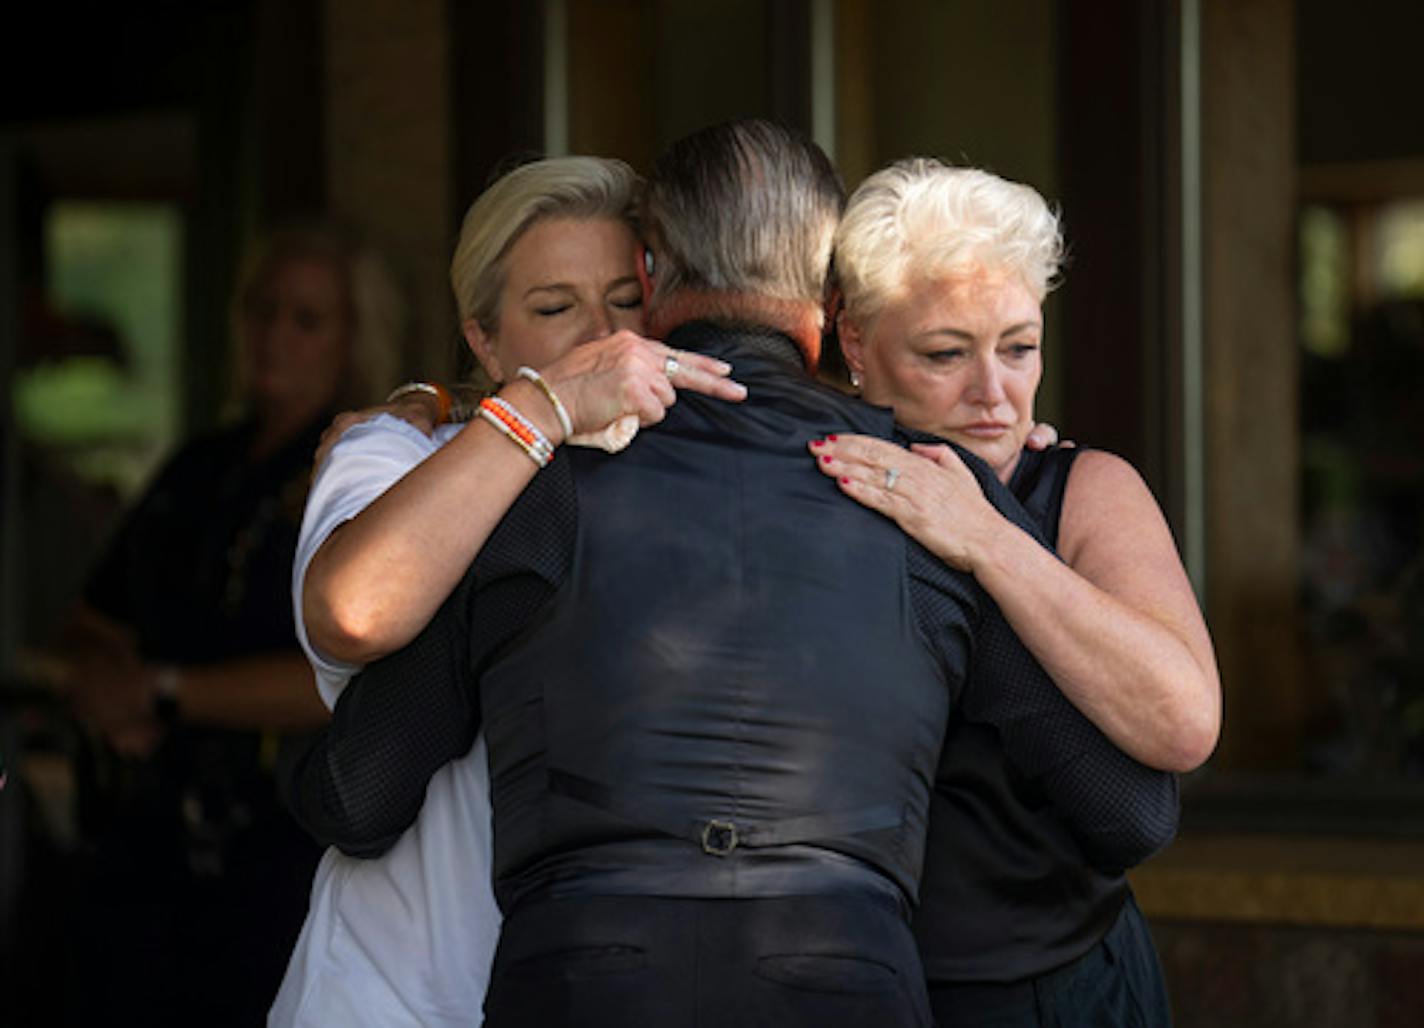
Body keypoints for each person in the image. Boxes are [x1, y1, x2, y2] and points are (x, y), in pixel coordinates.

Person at [283, 119, 1177, 1027]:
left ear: (654, 272)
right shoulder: (919, 496)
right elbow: (1131, 816)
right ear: (829, 303)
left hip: (588, 980)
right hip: (843, 979)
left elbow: (357, 798)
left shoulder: (540, 484)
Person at [270, 155, 745, 1027]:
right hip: (393, 995)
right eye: (555, 308)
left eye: (624, 300)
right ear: (485, 341)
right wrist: (545, 406)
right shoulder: (397, 451)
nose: (601, 334)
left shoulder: (701, 475)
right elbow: (351, 611)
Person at [817, 157, 1221, 1025]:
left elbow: (1182, 721)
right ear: (855, 342)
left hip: (1073, 981)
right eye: (944, 354)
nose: (993, 394)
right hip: (862, 978)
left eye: (1019, 347)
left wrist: (990, 539)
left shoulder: (1086, 488)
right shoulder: (815, 482)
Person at [55, 224, 403, 1027]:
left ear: (356, 338)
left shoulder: (372, 471)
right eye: (263, 309)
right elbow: (90, 617)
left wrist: (164, 692)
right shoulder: (199, 465)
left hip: (283, 843)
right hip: (145, 838)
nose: (275, 334)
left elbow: (342, 676)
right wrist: (107, 687)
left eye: (307, 319)